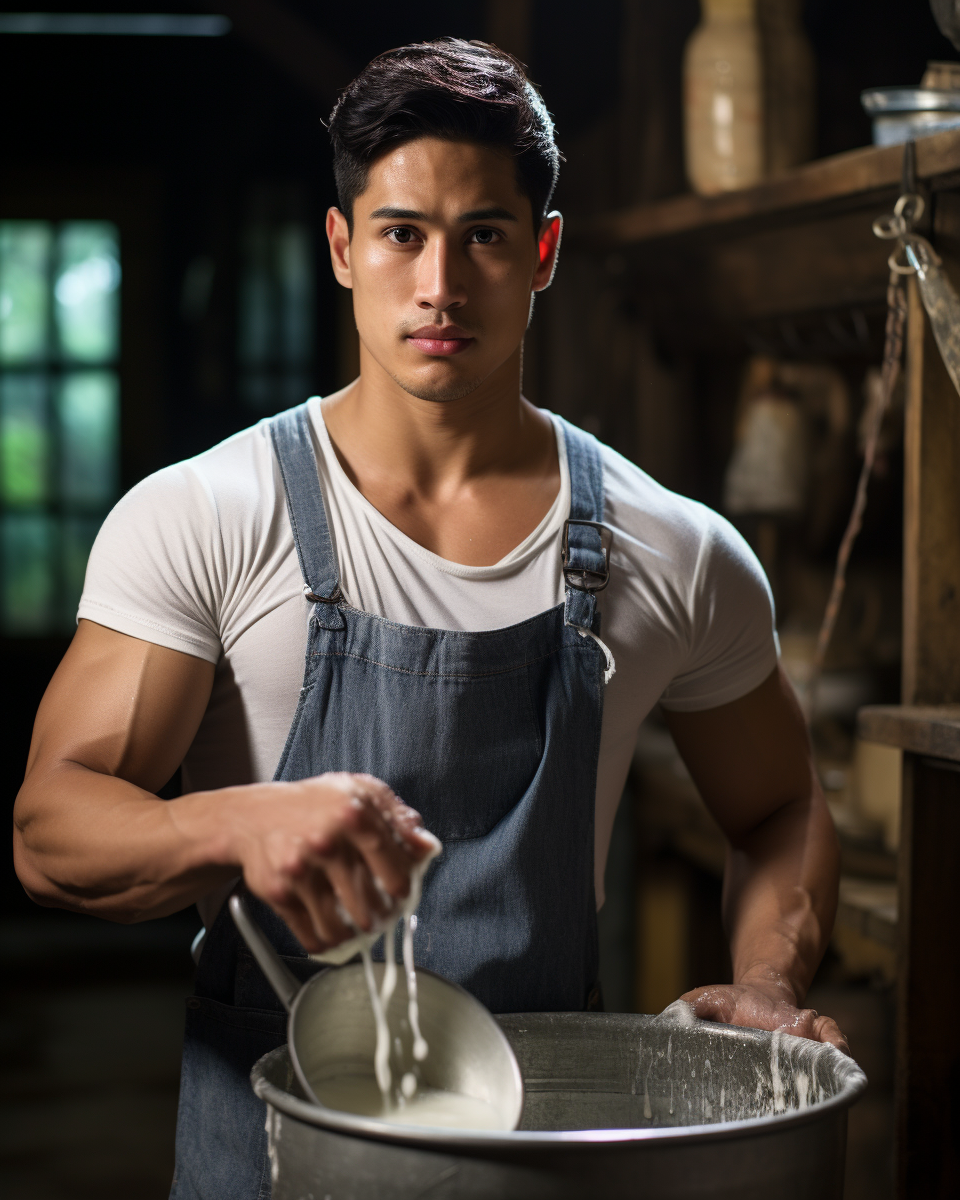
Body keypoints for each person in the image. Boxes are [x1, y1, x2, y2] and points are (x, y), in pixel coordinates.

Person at [13, 37, 847, 1200]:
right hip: (268, 1149)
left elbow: (778, 804)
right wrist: (236, 824)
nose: (441, 285)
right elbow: (50, 829)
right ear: (344, 248)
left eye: (486, 236)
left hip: (543, 1149)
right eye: (403, 234)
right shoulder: (207, 515)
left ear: (543, 252)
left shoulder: (676, 551)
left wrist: (764, 976)